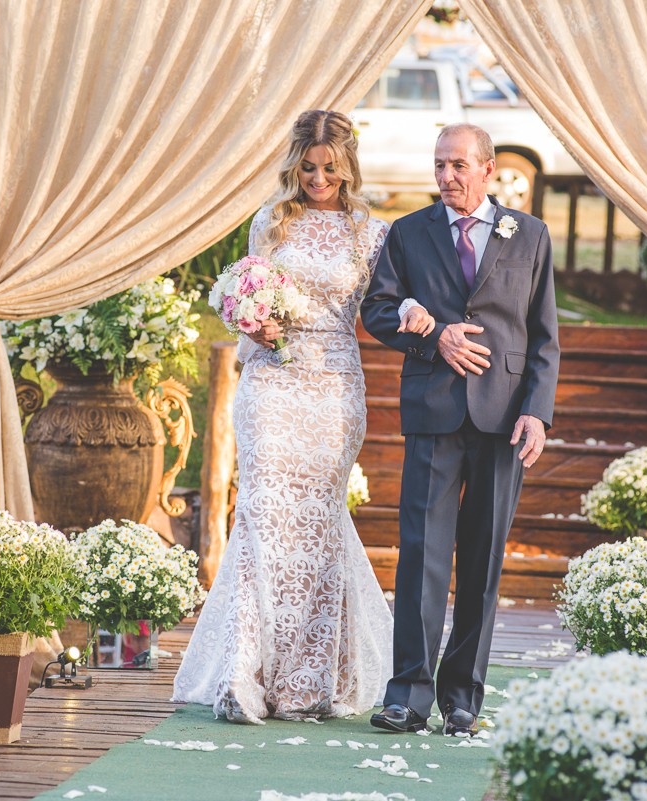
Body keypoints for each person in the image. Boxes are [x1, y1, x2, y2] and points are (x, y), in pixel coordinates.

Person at [172, 110, 393, 723]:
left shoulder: (369, 234)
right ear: (294, 162)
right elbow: (242, 298)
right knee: (263, 514)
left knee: (319, 523)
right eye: (308, 165)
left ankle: (306, 681)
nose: (318, 177)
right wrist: (254, 326)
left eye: (330, 167)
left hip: (334, 389)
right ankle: (244, 677)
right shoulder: (269, 221)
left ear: (347, 166)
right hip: (271, 385)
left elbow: (380, 310)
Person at [360, 123, 560, 735]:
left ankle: (463, 697)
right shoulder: (408, 233)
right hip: (433, 410)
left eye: (458, 166)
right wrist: (429, 335)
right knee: (421, 552)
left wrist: (537, 410)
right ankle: (408, 695)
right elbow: (377, 310)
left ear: (488, 168)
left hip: (503, 419)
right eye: (440, 165)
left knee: (482, 559)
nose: (447, 177)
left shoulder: (530, 235)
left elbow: (545, 336)